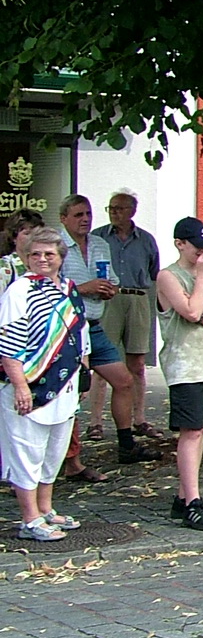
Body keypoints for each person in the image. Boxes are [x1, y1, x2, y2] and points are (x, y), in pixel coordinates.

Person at [1, 229, 89, 541]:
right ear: (26, 257)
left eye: (48, 254)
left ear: (60, 257)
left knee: (54, 451)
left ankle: (46, 508)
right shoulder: (19, 291)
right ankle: (29, 519)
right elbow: (8, 344)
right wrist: (21, 385)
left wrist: (84, 371)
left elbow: (80, 333)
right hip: (30, 386)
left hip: (65, 385)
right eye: (35, 254)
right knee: (28, 452)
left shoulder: (68, 288)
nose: (42, 259)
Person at [60, 195, 158, 465]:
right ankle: (68, 456)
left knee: (124, 379)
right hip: (65, 329)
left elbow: (112, 279)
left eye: (88, 214)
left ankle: (126, 444)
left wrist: (108, 289)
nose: (85, 219)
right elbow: (47, 288)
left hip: (93, 325)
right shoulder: (55, 247)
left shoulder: (99, 244)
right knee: (72, 390)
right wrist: (82, 289)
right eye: (78, 215)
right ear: (64, 218)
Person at [155, 218, 203, 531]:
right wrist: (200, 280)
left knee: (201, 430)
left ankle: (186, 495)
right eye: (197, 246)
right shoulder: (168, 277)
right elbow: (188, 312)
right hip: (184, 365)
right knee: (190, 429)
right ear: (179, 244)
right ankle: (192, 502)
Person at [87, 192, 163, 442]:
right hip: (108, 298)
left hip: (138, 296)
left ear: (132, 210)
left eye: (119, 208)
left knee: (137, 361)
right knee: (102, 362)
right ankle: (95, 422)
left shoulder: (146, 240)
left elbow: (153, 270)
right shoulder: (97, 237)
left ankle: (139, 418)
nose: (114, 212)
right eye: (111, 208)